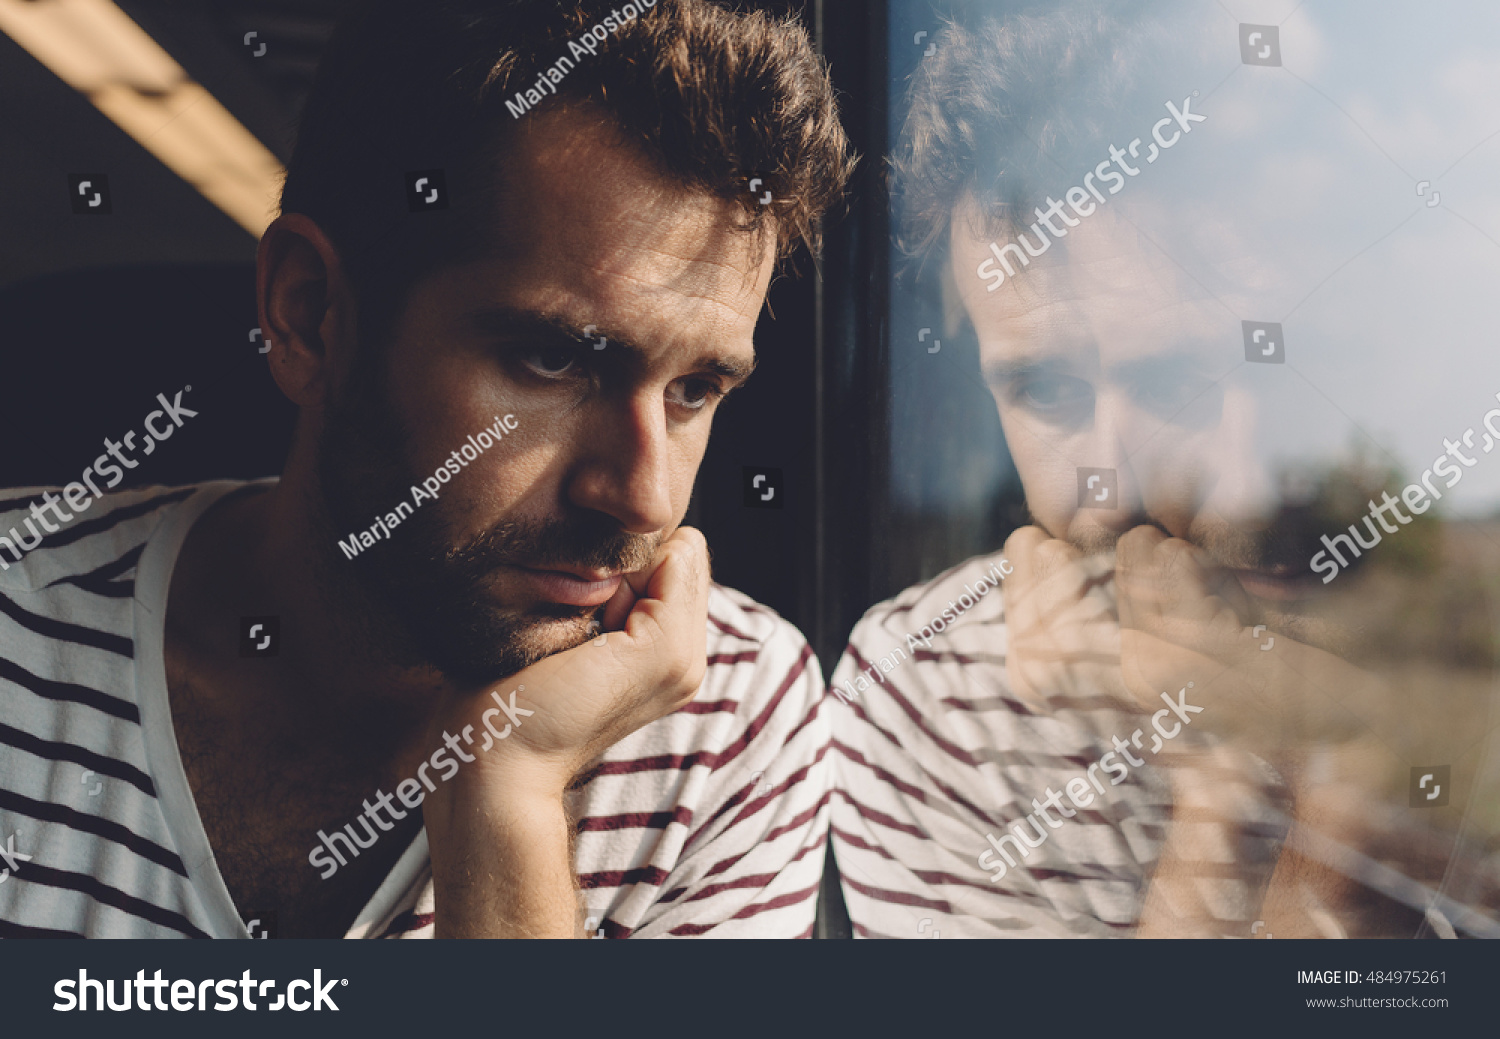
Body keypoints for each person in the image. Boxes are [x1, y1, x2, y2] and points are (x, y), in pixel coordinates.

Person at [0, 0, 853, 938]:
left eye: (694, 389)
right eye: (556, 361)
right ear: (311, 312)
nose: (644, 495)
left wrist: (507, 794)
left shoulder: (727, 716)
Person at [830, 0, 1500, 938]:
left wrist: (1373, 753)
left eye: (1200, 373)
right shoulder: (937, 695)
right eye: (1049, 391)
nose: (1105, 490)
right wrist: (1226, 796)